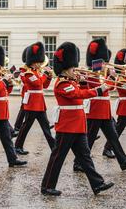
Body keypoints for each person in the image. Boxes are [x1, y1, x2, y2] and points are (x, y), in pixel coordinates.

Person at [41, 41, 114, 196]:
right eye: (72, 68)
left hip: (78, 125)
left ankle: (97, 184)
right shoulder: (62, 83)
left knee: (85, 157)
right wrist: (98, 90)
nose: (75, 71)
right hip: (67, 126)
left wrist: (83, 82)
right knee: (58, 157)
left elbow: (81, 91)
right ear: (65, 70)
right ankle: (47, 186)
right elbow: (78, 95)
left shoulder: (71, 81)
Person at [73, 38, 126, 172]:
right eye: (103, 62)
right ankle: (77, 163)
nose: (105, 64)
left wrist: (112, 77)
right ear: (97, 61)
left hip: (105, 111)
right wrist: (112, 78)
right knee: (89, 139)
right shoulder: (90, 73)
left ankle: (123, 161)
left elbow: (111, 88)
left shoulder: (102, 73)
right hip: (96, 110)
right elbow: (101, 88)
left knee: (113, 137)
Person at [14, 42, 54, 155]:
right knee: (26, 126)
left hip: (39, 103)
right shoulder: (28, 73)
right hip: (32, 103)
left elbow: (44, 85)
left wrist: (49, 77)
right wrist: (45, 74)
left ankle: (54, 147)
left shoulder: (36, 72)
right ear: (32, 62)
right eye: (38, 62)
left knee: (45, 127)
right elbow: (37, 83)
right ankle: (17, 146)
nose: (39, 64)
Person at [13, 48, 29, 134]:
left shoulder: (32, 69)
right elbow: (24, 80)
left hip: (31, 93)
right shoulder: (23, 69)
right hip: (26, 92)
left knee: (24, 109)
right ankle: (17, 126)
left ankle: (18, 126)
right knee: (23, 109)